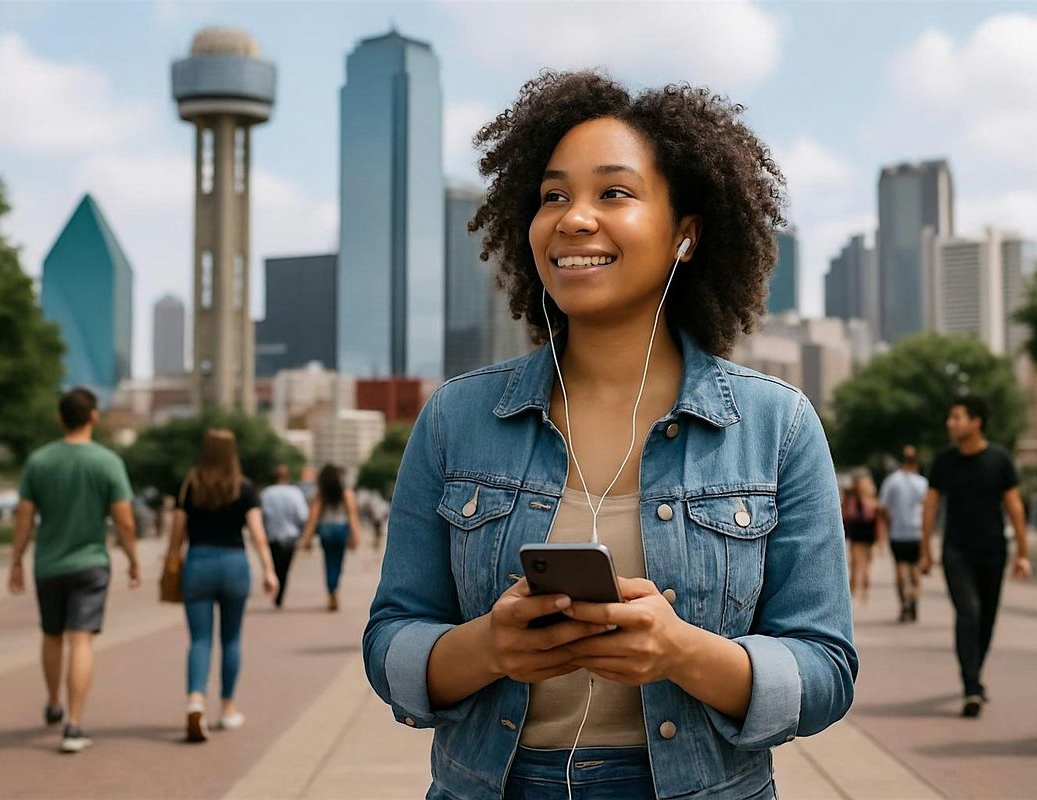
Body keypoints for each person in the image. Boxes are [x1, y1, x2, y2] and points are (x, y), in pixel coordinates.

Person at [363, 70, 856, 800]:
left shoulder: (776, 426)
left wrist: (681, 652)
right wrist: (487, 647)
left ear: (685, 234)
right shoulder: (454, 419)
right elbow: (391, 640)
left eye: (614, 193)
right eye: (553, 196)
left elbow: (826, 671)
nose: (574, 219)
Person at [8, 387, 139, 753]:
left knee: (52, 636)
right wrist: (132, 560)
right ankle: (74, 725)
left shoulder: (39, 461)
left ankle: (54, 703)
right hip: (91, 563)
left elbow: (24, 517)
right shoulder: (108, 462)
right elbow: (125, 521)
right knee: (81, 640)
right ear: (94, 417)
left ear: (59, 418)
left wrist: (16, 559)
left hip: (48, 564)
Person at [919, 395, 1030, 718]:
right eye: (950, 417)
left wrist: (1023, 553)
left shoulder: (999, 459)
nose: (950, 423)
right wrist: (926, 549)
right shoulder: (944, 461)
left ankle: (975, 675)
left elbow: (1015, 507)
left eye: (957, 417)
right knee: (968, 613)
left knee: (987, 619)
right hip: (956, 550)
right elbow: (931, 506)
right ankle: (971, 686)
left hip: (993, 551)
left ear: (976, 421)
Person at [167, 428, 278, 743]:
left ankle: (195, 701)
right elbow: (257, 533)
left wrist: (172, 561)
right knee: (231, 640)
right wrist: (269, 570)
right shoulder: (243, 487)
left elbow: (177, 533)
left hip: (198, 563)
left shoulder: (189, 485)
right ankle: (228, 709)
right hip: (234, 565)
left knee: (199, 640)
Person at [299, 465, 361, 611]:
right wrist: (355, 537)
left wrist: (307, 539)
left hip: (326, 530)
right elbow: (352, 516)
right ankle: (334, 589)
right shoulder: (346, 493)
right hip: (341, 530)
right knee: (338, 562)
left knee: (328, 562)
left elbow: (313, 518)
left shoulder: (320, 494)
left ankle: (331, 591)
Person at [878, 446, 929, 622]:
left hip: (898, 532)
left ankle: (904, 605)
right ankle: (914, 595)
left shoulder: (892, 481)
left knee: (900, 568)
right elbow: (928, 507)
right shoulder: (922, 482)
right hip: (917, 531)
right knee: (915, 570)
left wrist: (887, 524)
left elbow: (883, 507)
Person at [259, 464, 309, 608]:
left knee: (275, 565)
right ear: (288, 477)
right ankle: (280, 595)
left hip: (272, 536)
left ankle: (276, 589)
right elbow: (303, 515)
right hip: (290, 537)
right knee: (285, 568)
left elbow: (262, 516)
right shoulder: (295, 492)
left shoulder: (266, 493)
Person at [842, 471, 881, 604]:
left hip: (863, 532)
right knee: (860, 562)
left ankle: (860, 587)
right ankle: (859, 588)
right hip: (860, 532)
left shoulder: (859, 499)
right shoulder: (860, 499)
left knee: (860, 562)